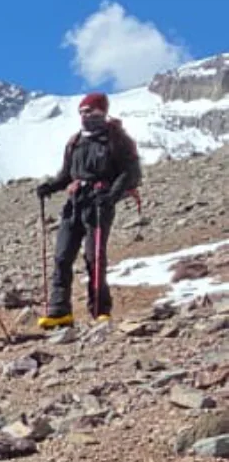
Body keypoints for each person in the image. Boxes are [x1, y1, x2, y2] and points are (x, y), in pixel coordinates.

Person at [37, 90, 141, 328]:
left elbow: (130, 172)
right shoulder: (75, 141)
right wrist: (50, 186)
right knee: (62, 257)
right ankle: (59, 311)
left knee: (94, 258)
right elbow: (67, 174)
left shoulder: (116, 139)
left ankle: (100, 310)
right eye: (82, 112)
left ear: (102, 112)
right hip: (75, 204)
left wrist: (112, 196)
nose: (85, 116)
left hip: (99, 204)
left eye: (89, 111)